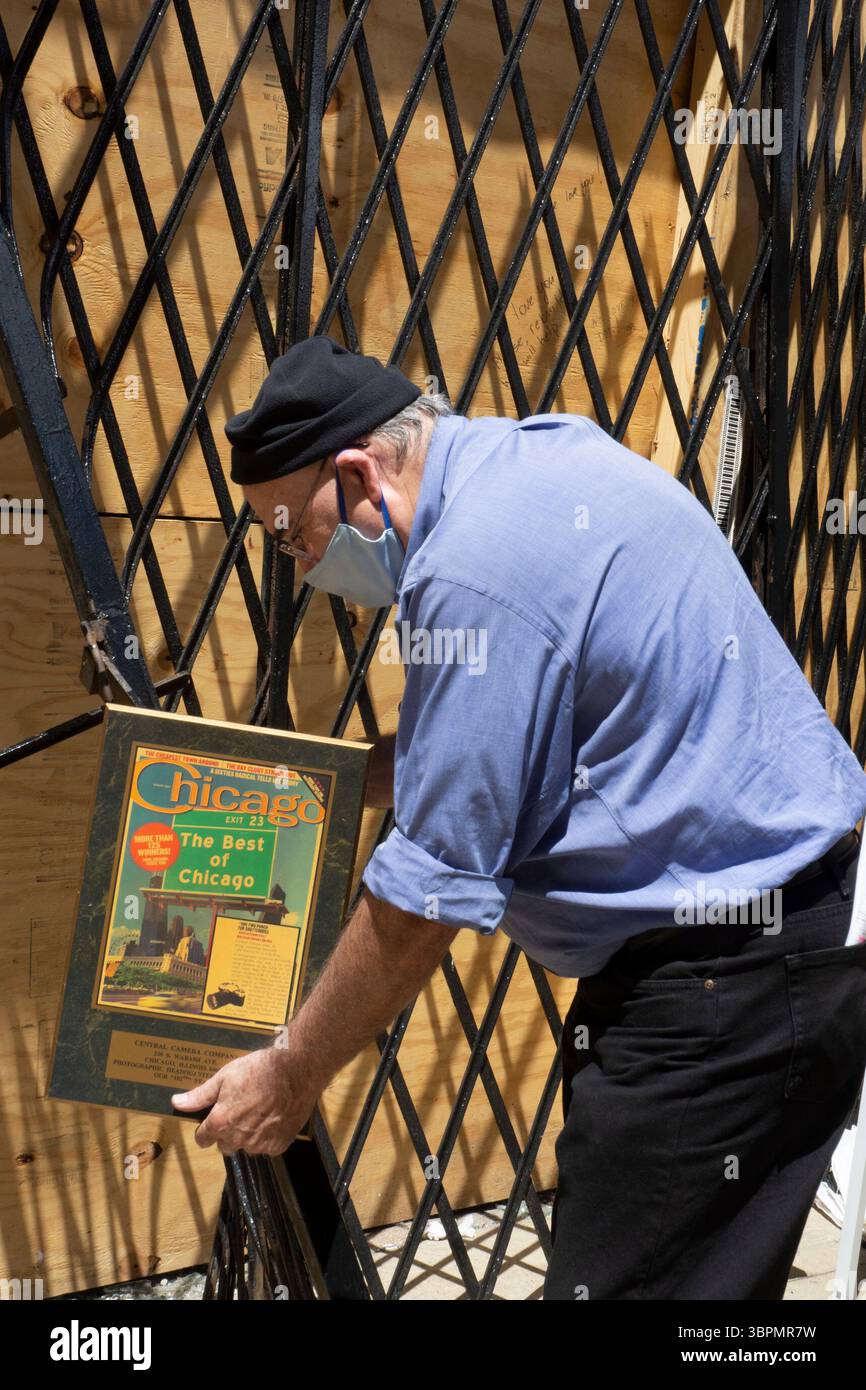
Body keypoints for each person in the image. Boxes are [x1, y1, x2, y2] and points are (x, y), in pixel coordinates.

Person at [172, 335, 866, 1300]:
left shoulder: (474, 573)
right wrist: (310, 782)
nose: (302, 563)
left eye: (294, 536)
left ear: (360, 475)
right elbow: (499, 744)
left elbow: (423, 899)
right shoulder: (532, 458)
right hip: (779, 940)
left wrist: (291, 1071)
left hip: (730, 979)